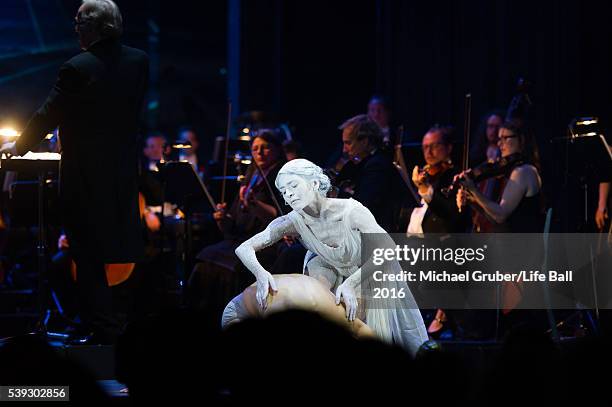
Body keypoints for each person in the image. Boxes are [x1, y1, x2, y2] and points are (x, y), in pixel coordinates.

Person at [0, 0, 149, 344]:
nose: (75, 29)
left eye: (80, 22)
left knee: (87, 253)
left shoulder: (76, 66)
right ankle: (113, 324)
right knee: (120, 246)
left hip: (84, 173)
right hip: (123, 170)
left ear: (97, 26)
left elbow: (48, 113)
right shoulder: (139, 61)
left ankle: (101, 328)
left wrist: (18, 147)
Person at [234, 159, 428, 355]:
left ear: (315, 184)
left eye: (293, 185)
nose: (289, 194)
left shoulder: (351, 211)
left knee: (393, 337)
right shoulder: (292, 221)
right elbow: (243, 248)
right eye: (284, 191)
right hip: (331, 269)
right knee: (322, 298)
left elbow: (388, 248)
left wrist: (351, 283)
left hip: (370, 268)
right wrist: (260, 273)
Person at [188, 131, 286, 318]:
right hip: (240, 238)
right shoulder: (252, 176)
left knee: (234, 263)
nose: (260, 152)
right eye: (255, 148)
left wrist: (255, 205)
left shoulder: (282, 176)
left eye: (266, 147)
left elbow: (280, 216)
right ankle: (201, 315)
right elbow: (232, 225)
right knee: (205, 257)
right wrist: (223, 219)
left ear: (277, 150)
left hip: (266, 242)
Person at [456, 120, 543, 233]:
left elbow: (500, 216)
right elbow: (494, 219)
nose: (499, 143)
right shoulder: (515, 170)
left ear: (521, 139)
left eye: (505, 138)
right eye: (499, 138)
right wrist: (473, 200)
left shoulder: (523, 171)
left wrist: (474, 190)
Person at [336, 114, 405, 231]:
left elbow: (363, 206)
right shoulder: (363, 163)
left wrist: (336, 193)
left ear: (365, 141)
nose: (344, 150)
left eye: (348, 143)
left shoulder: (377, 165)